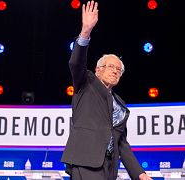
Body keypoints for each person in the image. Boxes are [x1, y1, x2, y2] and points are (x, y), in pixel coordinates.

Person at [61, 1, 153, 180]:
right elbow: (76, 62)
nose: (115, 71)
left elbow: (122, 144)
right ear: (98, 70)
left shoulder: (121, 105)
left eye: (119, 70)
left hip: (109, 167)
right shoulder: (85, 82)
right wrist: (85, 31)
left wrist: (140, 174)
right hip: (86, 160)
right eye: (111, 67)